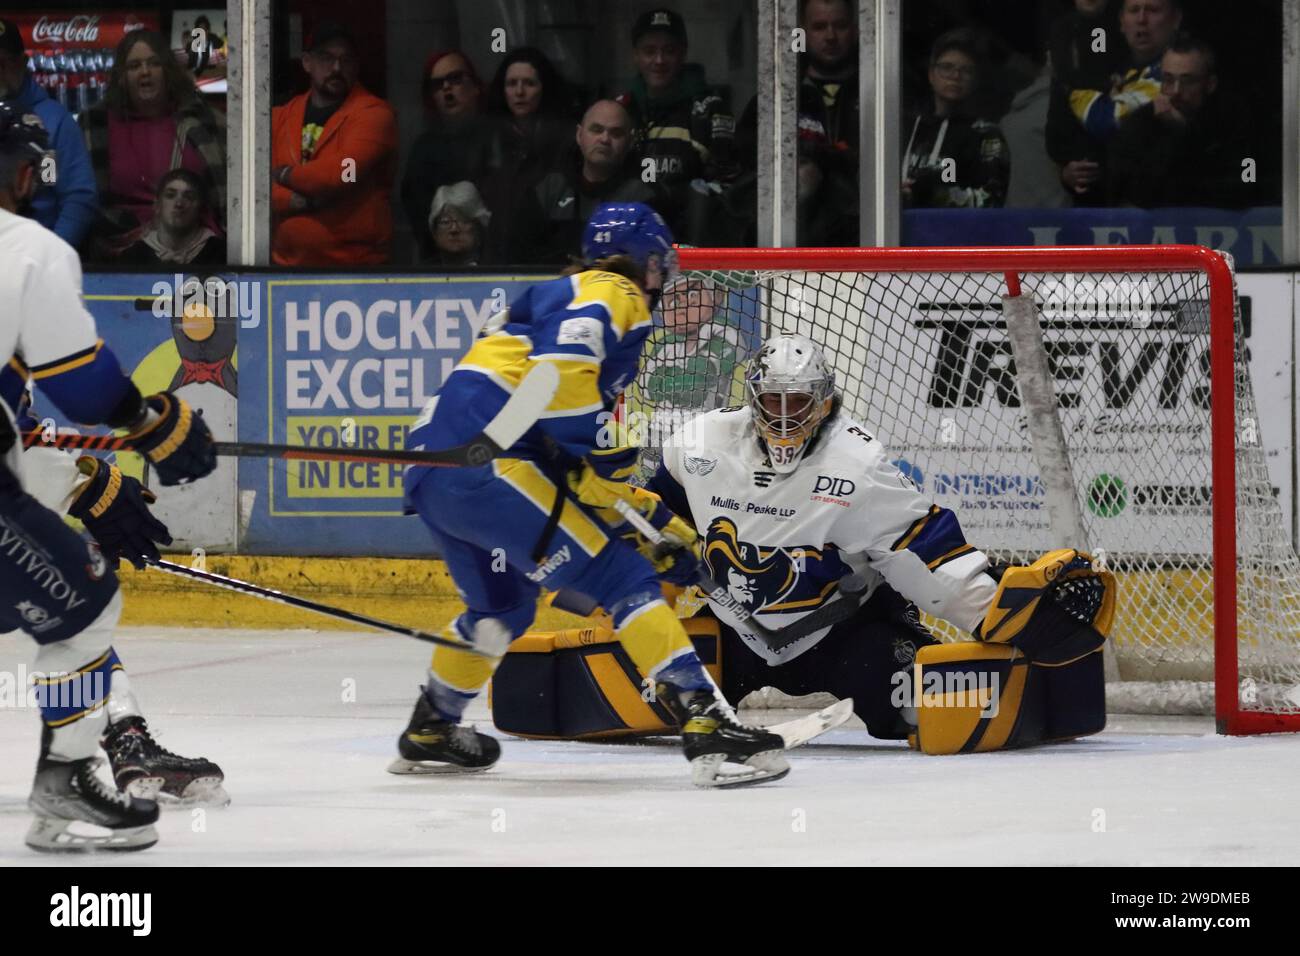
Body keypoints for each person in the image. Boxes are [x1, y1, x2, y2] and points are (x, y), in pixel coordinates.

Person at [394, 202, 790, 788]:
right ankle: (705, 724)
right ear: (647, 263)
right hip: (490, 464)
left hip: (439, 473)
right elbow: (565, 379)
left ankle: (433, 725)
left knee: (502, 609)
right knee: (621, 579)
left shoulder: (550, 298)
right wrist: (606, 453)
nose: (662, 278)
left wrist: (651, 517)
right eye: (661, 265)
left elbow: (565, 464)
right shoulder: (613, 289)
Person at [645, 335, 1099, 740]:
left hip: (845, 635)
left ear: (823, 403)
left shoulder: (857, 462)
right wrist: (630, 602)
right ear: (752, 400)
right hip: (735, 632)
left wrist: (995, 613)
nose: (784, 417)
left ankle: (1041, 686)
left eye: (798, 402)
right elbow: (650, 523)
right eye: (773, 401)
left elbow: (924, 551)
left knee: (942, 714)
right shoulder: (700, 445)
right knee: (647, 705)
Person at [0, 103, 222, 852]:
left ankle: (109, 739)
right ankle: (69, 776)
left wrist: (77, 479)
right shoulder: (24, 247)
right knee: (85, 603)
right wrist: (150, 425)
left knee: (59, 590)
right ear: (26, 174)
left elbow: (20, 431)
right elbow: (84, 382)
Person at [78, 29, 226, 259]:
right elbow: (76, 193)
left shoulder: (203, 118)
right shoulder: (95, 124)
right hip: (122, 250)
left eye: (153, 63)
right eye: (134, 66)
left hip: (197, 249)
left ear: (167, 71)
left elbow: (229, 194)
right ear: (121, 77)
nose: (145, 72)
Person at [270, 23, 398, 266]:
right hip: (284, 269)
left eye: (346, 60)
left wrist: (284, 174)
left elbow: (343, 175)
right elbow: (255, 189)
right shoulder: (280, 117)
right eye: (326, 58)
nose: (337, 68)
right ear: (307, 62)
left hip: (356, 269)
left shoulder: (375, 115)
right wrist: (297, 201)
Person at [614, 8, 736, 244]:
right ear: (635, 55)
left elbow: (726, 187)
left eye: (668, 51)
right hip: (629, 242)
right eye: (649, 51)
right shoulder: (622, 109)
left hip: (690, 245)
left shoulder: (709, 109)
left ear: (682, 54)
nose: (658, 61)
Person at [1107, 35, 1255, 209]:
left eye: (1188, 81)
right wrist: (1172, 135)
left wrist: (1185, 133)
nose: (1176, 91)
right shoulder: (1141, 122)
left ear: (1210, 84)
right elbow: (1132, 196)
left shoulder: (1233, 119)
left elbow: (1243, 190)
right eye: (1168, 80)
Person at [623, 274, 750, 474]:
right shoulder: (663, 344)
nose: (681, 309)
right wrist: (676, 379)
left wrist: (671, 378)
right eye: (672, 301)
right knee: (652, 489)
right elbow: (649, 388)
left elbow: (698, 380)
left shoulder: (724, 332)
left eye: (692, 296)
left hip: (705, 429)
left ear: (715, 297)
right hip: (659, 430)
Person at [0, 17, 97, 249]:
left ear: (23, 63)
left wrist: (51, 251)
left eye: (3, 63)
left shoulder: (54, 121)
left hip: (34, 250)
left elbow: (79, 198)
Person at [522, 98, 657, 263]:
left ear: (630, 142)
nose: (605, 139)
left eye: (616, 133)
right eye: (596, 130)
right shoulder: (548, 189)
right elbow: (523, 261)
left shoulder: (644, 197)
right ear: (579, 135)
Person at [479, 47, 574, 263]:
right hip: (497, 254)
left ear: (544, 88)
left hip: (548, 254)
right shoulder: (488, 138)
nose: (519, 92)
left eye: (529, 83)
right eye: (511, 84)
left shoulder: (565, 139)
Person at [401, 50, 492, 262]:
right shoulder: (423, 150)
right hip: (439, 266)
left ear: (476, 87)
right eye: (437, 84)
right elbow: (417, 212)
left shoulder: (500, 139)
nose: (446, 88)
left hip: (498, 262)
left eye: (455, 79)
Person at [902, 29, 1009, 209]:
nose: (955, 76)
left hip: (953, 233)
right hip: (895, 231)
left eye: (966, 70)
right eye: (946, 67)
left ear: (975, 79)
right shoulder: (907, 126)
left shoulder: (986, 134)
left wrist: (929, 194)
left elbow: (991, 200)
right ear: (931, 74)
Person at [118, 168, 224, 265]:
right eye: (170, 195)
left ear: (200, 208)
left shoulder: (220, 254)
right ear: (157, 205)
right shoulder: (134, 257)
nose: (179, 203)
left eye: (189, 197)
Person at [424, 180, 490, 266]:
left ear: (478, 227)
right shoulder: (420, 275)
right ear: (434, 232)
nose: (454, 229)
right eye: (445, 221)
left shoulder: (499, 273)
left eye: (463, 220)